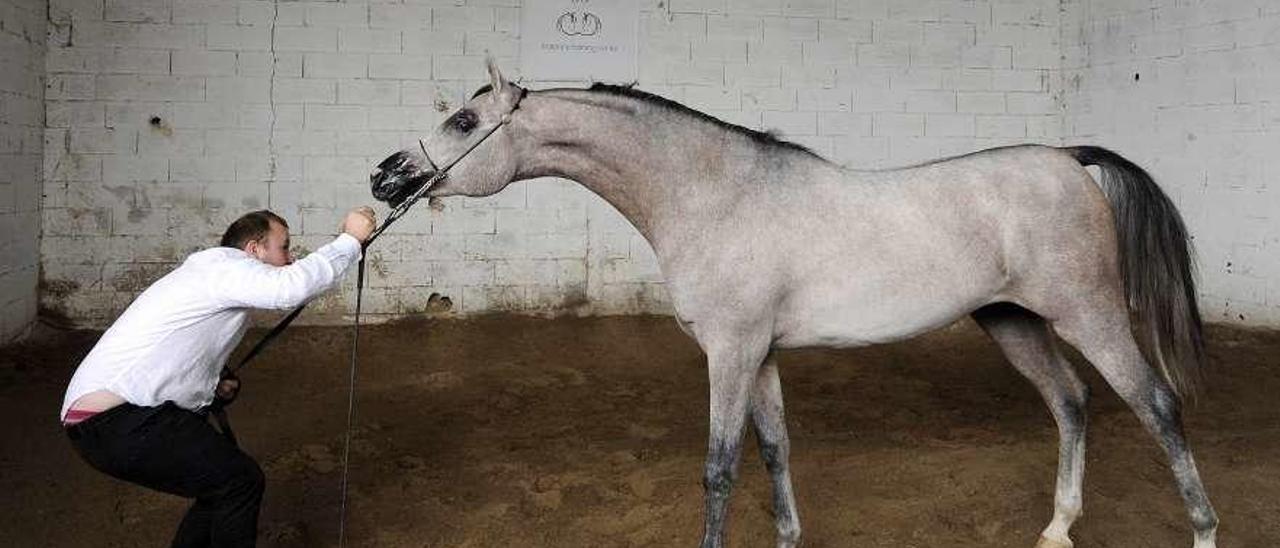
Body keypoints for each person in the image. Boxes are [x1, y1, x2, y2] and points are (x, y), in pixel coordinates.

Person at [59, 206, 377, 547]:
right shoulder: (222, 266)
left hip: (110, 418)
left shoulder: (214, 274)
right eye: (283, 247)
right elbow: (290, 289)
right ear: (254, 250)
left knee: (221, 487)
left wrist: (213, 385)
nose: (289, 257)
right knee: (239, 482)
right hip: (113, 421)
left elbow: (178, 353)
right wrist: (349, 240)